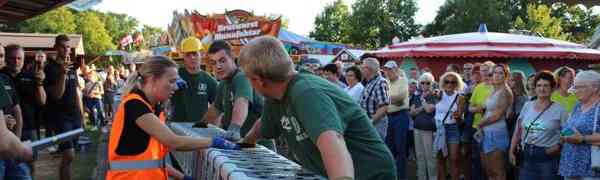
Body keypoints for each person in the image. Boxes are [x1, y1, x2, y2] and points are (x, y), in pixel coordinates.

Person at [238, 36, 396, 180]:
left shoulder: (306, 92)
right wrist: (243, 144)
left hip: (371, 174)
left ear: (258, 80)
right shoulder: (276, 96)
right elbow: (263, 126)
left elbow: (333, 141)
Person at [106, 56, 239, 180]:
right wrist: (214, 142)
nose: (175, 87)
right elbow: (173, 141)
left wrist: (182, 177)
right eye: (171, 81)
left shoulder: (150, 108)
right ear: (152, 80)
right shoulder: (135, 105)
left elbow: (153, 161)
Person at [202, 40, 274, 148]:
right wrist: (200, 125)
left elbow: (242, 101)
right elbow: (215, 109)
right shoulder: (223, 83)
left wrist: (234, 128)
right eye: (214, 63)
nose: (218, 66)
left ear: (232, 58)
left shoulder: (242, 76)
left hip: (259, 147)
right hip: (241, 146)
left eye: (222, 61)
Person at [509, 71, 566, 180]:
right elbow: (518, 130)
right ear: (534, 88)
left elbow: (568, 132)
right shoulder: (527, 106)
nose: (542, 89)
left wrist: (558, 146)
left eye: (546, 86)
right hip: (526, 156)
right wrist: (511, 151)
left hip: (548, 159)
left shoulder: (560, 110)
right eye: (539, 85)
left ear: (553, 88)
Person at [44, 34, 85, 180]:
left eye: (68, 47)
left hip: (74, 116)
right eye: (63, 46)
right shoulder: (50, 68)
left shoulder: (72, 68)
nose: (66, 50)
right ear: (56, 47)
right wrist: (62, 73)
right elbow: (57, 95)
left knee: (70, 158)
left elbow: (76, 92)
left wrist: (81, 115)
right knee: (69, 154)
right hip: (61, 118)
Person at [10, 46, 47, 176]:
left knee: (30, 165)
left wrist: (39, 84)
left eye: (19, 58)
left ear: (23, 60)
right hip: (6, 130)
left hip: (29, 127)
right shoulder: (2, 76)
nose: (16, 61)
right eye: (13, 58)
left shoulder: (31, 76)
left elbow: (42, 101)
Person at [559, 70, 600, 180]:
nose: (574, 91)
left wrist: (582, 138)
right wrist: (565, 134)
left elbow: (580, 136)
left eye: (579, 87)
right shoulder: (577, 106)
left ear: (595, 87)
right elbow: (570, 127)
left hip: (591, 170)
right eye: (574, 87)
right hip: (570, 167)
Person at [476, 64, 513, 180]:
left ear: (506, 76)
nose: (496, 76)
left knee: (498, 172)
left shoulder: (505, 92)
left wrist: (480, 124)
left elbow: (497, 116)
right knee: (489, 171)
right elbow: (486, 109)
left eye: (500, 73)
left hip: (497, 133)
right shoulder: (494, 90)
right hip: (487, 133)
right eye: (495, 73)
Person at [170, 37, 218, 123]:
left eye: (195, 54)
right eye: (188, 54)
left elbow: (218, 107)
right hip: (175, 126)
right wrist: (171, 86)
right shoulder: (174, 74)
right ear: (183, 56)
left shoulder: (209, 81)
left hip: (199, 129)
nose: (192, 57)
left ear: (202, 54)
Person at [381, 60, 410, 180]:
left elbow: (400, 99)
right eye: (386, 70)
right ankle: (392, 175)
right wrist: (393, 99)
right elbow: (395, 100)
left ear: (396, 70)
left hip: (401, 116)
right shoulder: (385, 82)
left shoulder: (403, 80)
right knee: (389, 148)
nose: (388, 72)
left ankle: (401, 176)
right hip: (389, 117)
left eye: (390, 69)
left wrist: (386, 99)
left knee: (400, 147)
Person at [434, 72, 465, 180]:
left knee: (454, 159)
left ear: (457, 83)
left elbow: (461, 119)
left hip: (453, 128)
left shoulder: (460, 97)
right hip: (439, 128)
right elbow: (430, 97)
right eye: (447, 81)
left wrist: (457, 116)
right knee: (440, 158)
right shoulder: (439, 94)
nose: (450, 84)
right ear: (443, 82)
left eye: (453, 82)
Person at [410, 72, 438, 180]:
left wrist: (422, 101)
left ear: (432, 83)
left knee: (430, 156)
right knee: (420, 156)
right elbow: (411, 112)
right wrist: (422, 105)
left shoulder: (434, 95)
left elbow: (429, 109)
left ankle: (433, 178)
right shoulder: (417, 96)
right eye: (422, 82)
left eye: (427, 83)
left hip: (428, 130)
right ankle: (421, 177)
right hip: (417, 128)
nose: (425, 85)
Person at [360, 58, 390, 139]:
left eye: (363, 67)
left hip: (376, 125)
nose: (361, 69)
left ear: (369, 69)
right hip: (369, 124)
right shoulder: (370, 82)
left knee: (375, 150)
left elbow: (384, 107)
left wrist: (371, 121)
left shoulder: (380, 82)